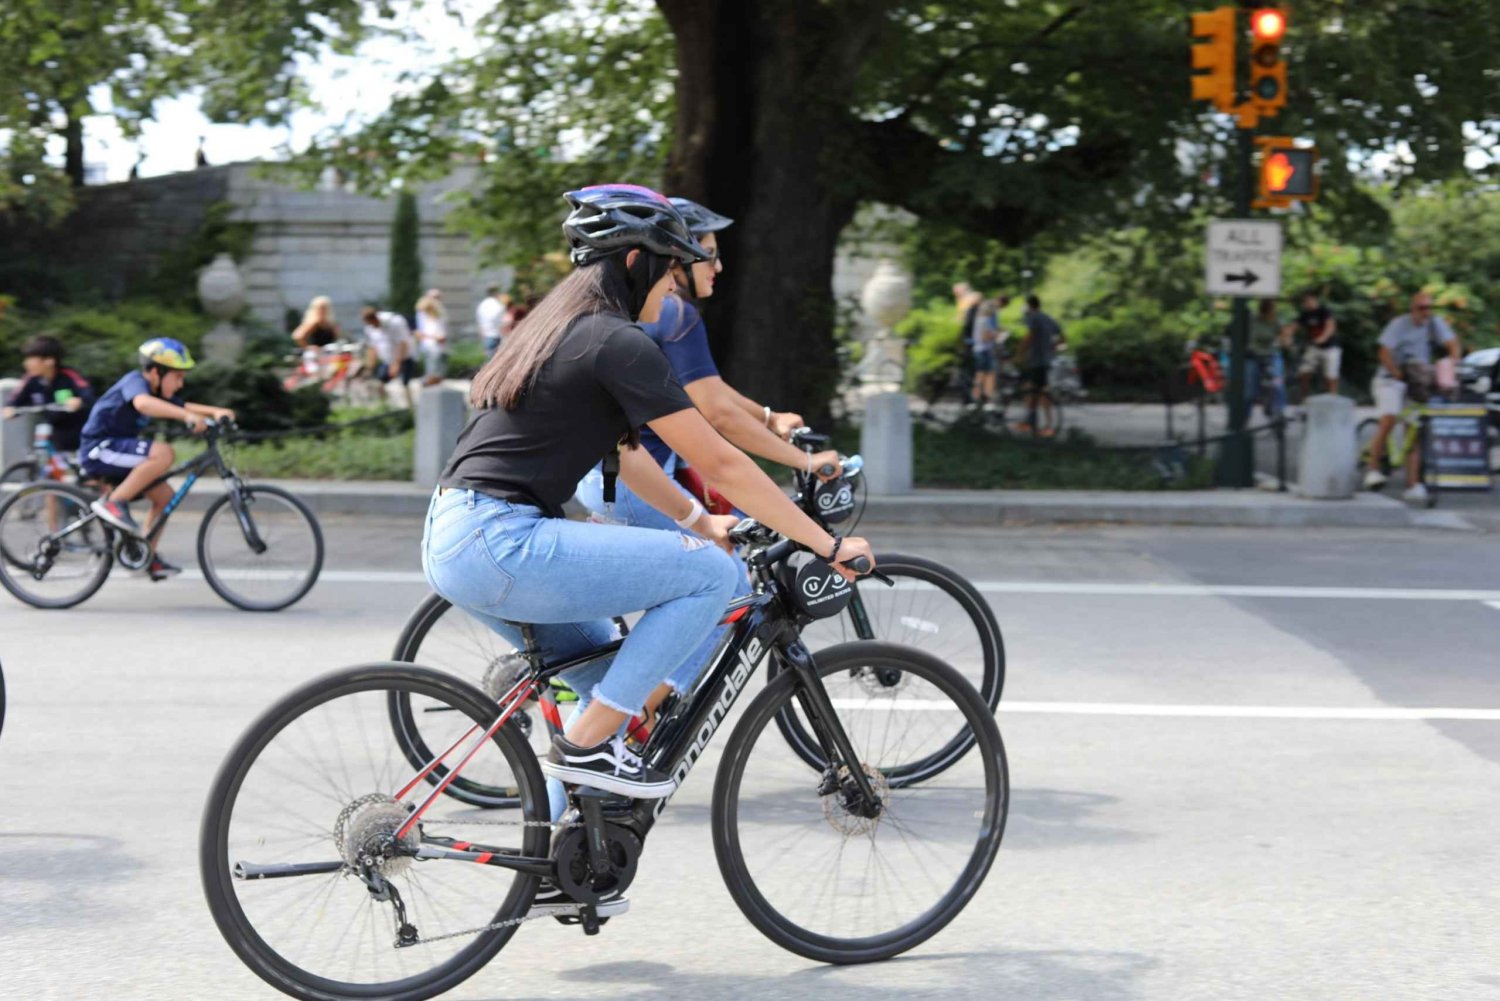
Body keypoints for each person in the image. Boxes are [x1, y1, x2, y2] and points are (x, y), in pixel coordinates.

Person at [423, 184, 872, 916]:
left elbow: (630, 457)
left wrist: (702, 519)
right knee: (711, 579)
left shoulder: (562, 327)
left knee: (610, 672)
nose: (675, 292)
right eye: (669, 274)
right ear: (635, 260)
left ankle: (555, 867)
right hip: (499, 541)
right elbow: (724, 461)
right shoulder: (617, 340)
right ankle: (593, 743)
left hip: (459, 535)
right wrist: (824, 541)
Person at [573, 195, 844, 734]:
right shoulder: (673, 314)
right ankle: (637, 715)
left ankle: (618, 702)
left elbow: (710, 393)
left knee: (694, 581)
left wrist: (768, 418)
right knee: (724, 591)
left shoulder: (654, 313)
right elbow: (715, 415)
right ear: (674, 256)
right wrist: (804, 463)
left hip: (612, 475)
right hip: (631, 479)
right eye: (708, 253)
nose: (718, 266)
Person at [83, 339, 235, 580]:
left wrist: (214, 412)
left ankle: (144, 558)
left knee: (164, 496)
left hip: (119, 451)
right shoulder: (136, 382)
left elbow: (183, 404)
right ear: (156, 372)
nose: (180, 384)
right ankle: (114, 502)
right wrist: (187, 416)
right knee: (163, 452)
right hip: (100, 448)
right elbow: (143, 404)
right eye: (177, 377)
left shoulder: (155, 390)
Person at [1364, 291, 1462, 502]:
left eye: (1429, 308)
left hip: (1416, 381)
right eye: (1421, 308)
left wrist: (1452, 364)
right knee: (1389, 419)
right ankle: (1372, 469)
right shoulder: (1399, 324)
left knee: (1413, 429)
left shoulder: (1434, 324)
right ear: (1412, 308)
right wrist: (1396, 373)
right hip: (1390, 378)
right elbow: (1383, 352)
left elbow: (1453, 344)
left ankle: (1413, 484)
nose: (1425, 312)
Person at [2, 335, 95, 454]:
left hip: (81, 430)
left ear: (49, 361)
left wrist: (78, 401)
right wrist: (9, 409)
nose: (26, 363)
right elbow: (15, 400)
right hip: (55, 430)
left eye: (31, 359)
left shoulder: (69, 376)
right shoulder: (31, 380)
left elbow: (87, 394)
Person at [1018, 294, 1064, 435]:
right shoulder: (1048, 318)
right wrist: (1053, 347)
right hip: (1046, 360)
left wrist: (1019, 353)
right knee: (1032, 389)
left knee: (1040, 392)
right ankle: (1030, 421)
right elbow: (1062, 337)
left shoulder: (1033, 317)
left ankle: (1046, 425)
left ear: (1029, 305)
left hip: (1036, 360)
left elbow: (1029, 336)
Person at [360, 307, 417, 408]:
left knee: (405, 384)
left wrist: (397, 364)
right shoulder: (370, 328)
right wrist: (370, 365)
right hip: (388, 360)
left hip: (404, 357)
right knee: (380, 382)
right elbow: (372, 347)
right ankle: (385, 407)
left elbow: (402, 343)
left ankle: (409, 408)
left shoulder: (395, 321)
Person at [1290, 290, 1339, 399]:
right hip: (1313, 347)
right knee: (1304, 372)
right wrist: (1287, 334)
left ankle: (1332, 399)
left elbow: (1330, 326)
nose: (1305, 303)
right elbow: (1294, 326)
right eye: (1304, 301)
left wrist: (1324, 337)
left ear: (1313, 300)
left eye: (1306, 301)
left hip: (1330, 348)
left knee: (1330, 376)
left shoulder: (1324, 311)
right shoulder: (1305, 314)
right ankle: (1304, 399)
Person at [952, 282, 983, 402]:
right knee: (968, 371)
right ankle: (969, 396)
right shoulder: (966, 305)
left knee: (969, 371)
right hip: (969, 341)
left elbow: (965, 322)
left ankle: (970, 396)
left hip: (970, 342)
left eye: (957, 292)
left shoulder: (969, 305)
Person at [970, 298, 1000, 409]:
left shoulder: (978, 319)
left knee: (980, 374)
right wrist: (995, 336)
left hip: (978, 349)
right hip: (984, 350)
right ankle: (985, 398)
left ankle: (976, 398)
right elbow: (984, 337)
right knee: (986, 375)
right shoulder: (985, 320)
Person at [414, 290, 449, 386]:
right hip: (431, 347)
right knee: (432, 373)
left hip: (437, 348)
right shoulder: (425, 316)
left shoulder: (439, 317)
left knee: (436, 374)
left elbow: (442, 335)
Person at [475, 286, 508, 357]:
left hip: (486, 336)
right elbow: (503, 323)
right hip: (497, 337)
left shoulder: (482, 305)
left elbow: (480, 323)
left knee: (489, 362)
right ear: (496, 293)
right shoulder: (498, 305)